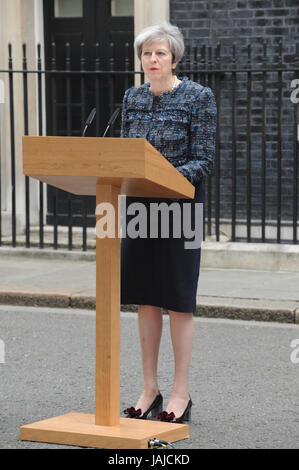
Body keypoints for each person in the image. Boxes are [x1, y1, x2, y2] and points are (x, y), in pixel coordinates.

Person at [120, 22, 217, 423]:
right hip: (140, 208)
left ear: (173, 57)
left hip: (181, 208)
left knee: (177, 301)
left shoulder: (198, 97)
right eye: (147, 54)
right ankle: (149, 388)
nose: (153, 60)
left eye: (160, 53)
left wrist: (168, 178)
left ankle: (180, 393)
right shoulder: (132, 97)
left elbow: (204, 159)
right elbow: (125, 152)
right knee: (145, 299)